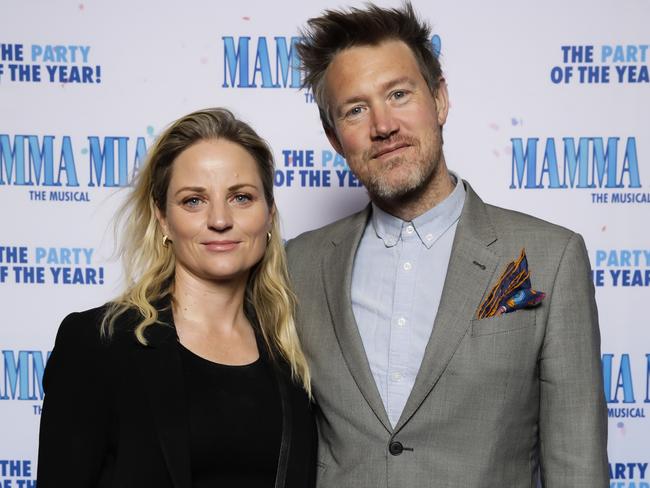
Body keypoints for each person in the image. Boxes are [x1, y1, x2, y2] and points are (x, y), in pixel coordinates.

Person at [287, 3, 608, 487]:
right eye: (355, 109)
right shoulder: (298, 264)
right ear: (335, 139)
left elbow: (577, 468)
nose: (383, 125)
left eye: (399, 94)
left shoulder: (550, 257)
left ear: (439, 100)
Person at [37, 108, 316, 488]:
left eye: (241, 197)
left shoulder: (292, 353)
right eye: (193, 201)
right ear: (163, 219)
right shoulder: (98, 343)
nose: (220, 219)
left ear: (268, 214)